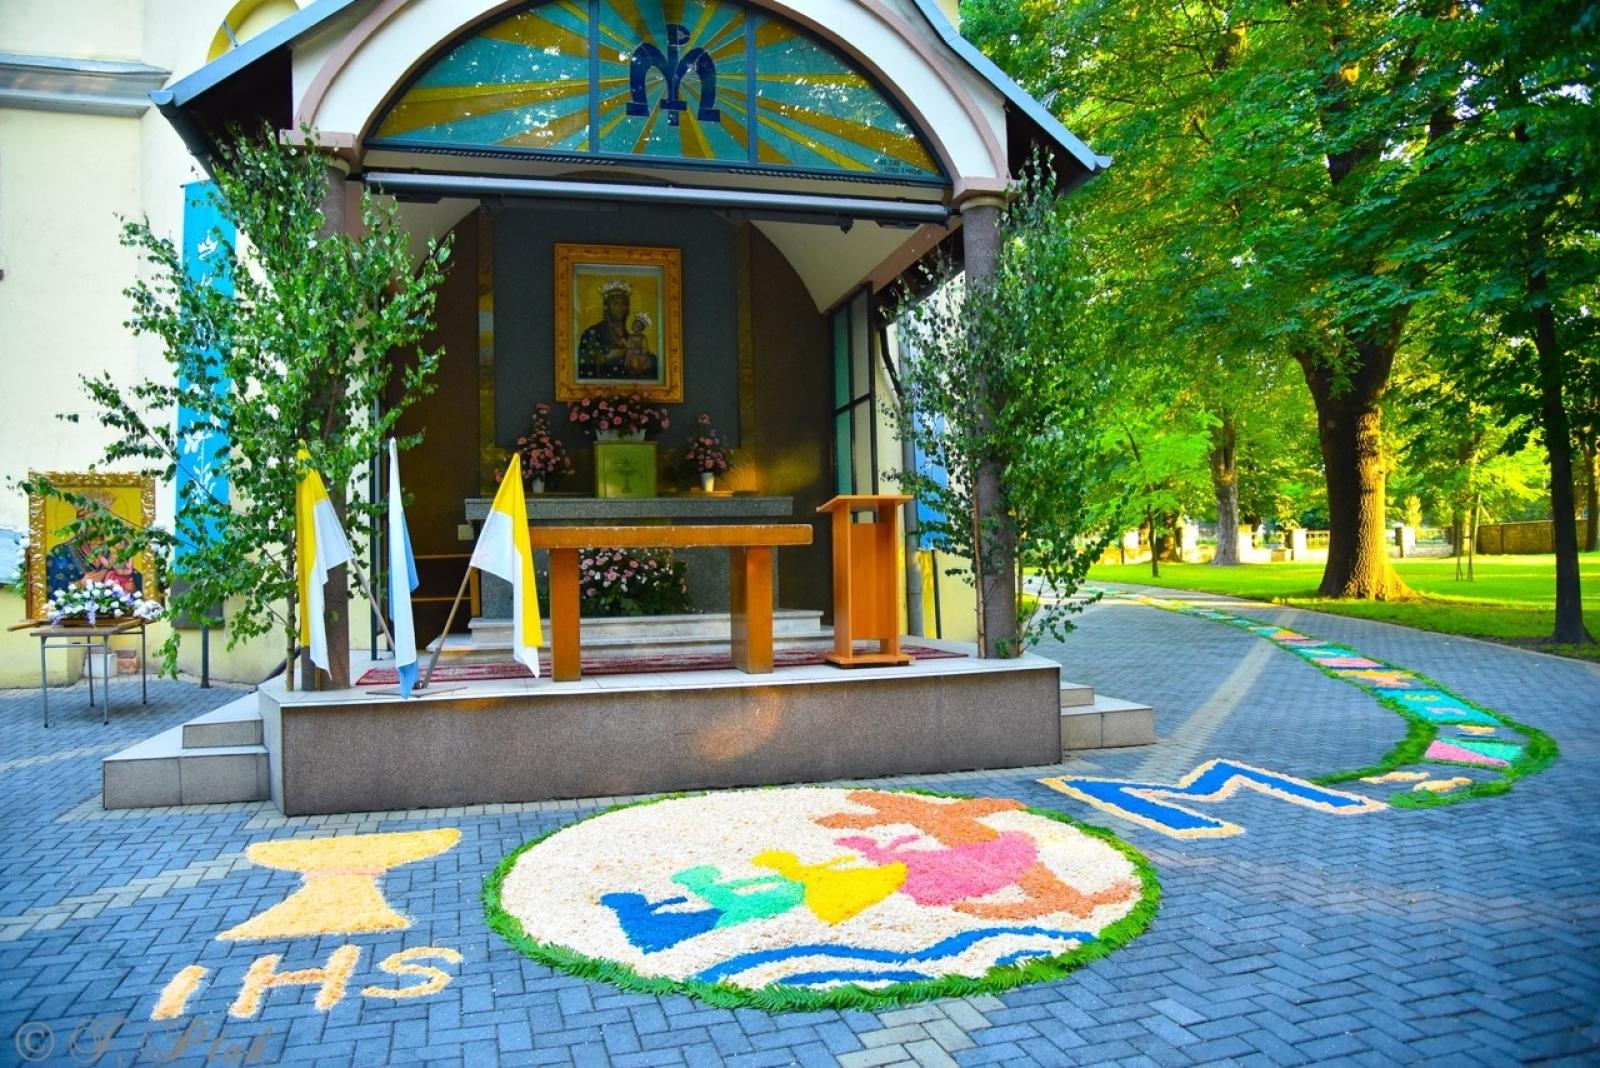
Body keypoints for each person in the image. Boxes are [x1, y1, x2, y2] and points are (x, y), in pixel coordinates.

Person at [578, 280, 657, 380]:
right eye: (615, 303)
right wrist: (607, 357)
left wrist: (645, 360)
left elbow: (653, 363)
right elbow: (583, 364)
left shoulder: (633, 333)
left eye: (623, 304)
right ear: (606, 307)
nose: (620, 308)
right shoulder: (591, 333)